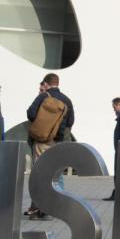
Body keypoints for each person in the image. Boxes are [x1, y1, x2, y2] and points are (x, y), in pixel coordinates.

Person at [25, 73, 74, 220]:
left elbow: (31, 114)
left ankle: (36, 210)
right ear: (57, 83)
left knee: (39, 174)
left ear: (46, 84)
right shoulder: (67, 100)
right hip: (58, 143)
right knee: (57, 175)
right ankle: (58, 208)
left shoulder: (43, 96)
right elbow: (71, 121)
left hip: (42, 141)